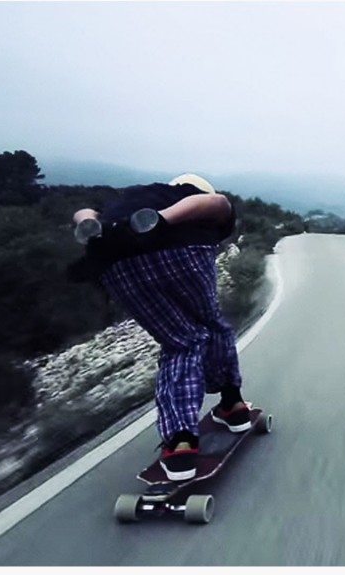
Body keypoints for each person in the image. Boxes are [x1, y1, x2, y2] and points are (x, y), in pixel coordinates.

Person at [68, 174, 252, 481]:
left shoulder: (129, 197)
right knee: (212, 325)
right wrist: (161, 220)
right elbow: (216, 203)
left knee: (182, 341)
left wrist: (87, 223)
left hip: (117, 264)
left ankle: (181, 442)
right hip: (181, 251)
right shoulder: (190, 194)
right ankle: (232, 404)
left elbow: (83, 211)